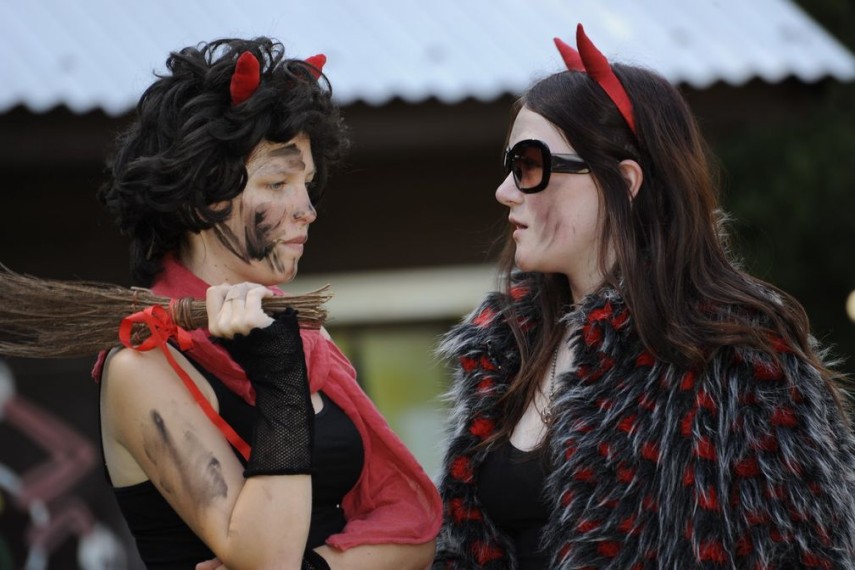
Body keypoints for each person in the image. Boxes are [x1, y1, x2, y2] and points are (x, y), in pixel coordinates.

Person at [433, 24, 855, 569]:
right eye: (509, 166)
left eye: (530, 166)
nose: (505, 190)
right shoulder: (507, 350)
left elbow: (810, 554)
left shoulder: (741, 356)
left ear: (624, 181)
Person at [94, 37, 441, 569]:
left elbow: (416, 530)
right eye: (278, 182)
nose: (307, 209)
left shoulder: (302, 334)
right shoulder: (142, 366)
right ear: (199, 198)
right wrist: (279, 377)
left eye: (307, 183)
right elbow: (267, 558)